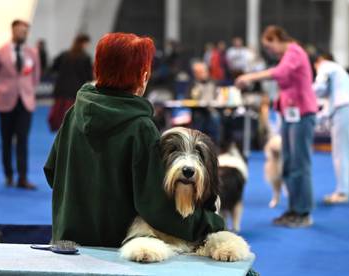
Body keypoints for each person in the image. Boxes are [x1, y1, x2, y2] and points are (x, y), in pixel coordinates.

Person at [43, 33, 224, 247]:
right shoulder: (141, 127)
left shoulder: (74, 113)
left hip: (66, 244)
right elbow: (156, 207)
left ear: (98, 68)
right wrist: (210, 222)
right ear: (143, 76)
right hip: (115, 250)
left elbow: (51, 172)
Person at [236, 25, 318, 227]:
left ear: (276, 38)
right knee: (289, 163)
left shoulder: (295, 51)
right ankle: (293, 210)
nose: (269, 50)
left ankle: (303, 213)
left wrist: (249, 76)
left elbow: (280, 73)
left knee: (300, 164)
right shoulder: (289, 54)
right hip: (291, 115)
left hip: (302, 115)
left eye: (269, 45)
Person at [0, 20, 40, 190]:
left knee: (23, 139)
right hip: (5, 101)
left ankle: (23, 177)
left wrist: (28, 90)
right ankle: (8, 174)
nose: (22, 34)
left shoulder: (33, 53)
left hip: (25, 101)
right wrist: (1, 89)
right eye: (19, 31)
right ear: (13, 31)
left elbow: (36, 77)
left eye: (25, 32)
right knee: (6, 140)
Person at [313, 53, 349, 204]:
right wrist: (313, 119)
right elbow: (327, 108)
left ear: (319, 61)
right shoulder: (339, 72)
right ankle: (346, 189)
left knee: (340, 153)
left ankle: (342, 192)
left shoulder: (325, 66)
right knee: (348, 153)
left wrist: (303, 91)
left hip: (344, 111)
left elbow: (319, 88)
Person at [48, 34, 92, 132]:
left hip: (60, 89)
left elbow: (53, 68)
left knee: (57, 116)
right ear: (83, 43)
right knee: (70, 117)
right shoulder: (86, 58)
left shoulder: (64, 54)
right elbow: (88, 76)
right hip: (75, 91)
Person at [187, 61, 221, 144]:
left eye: (203, 71)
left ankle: (215, 143)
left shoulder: (214, 83)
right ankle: (197, 143)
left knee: (215, 117)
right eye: (199, 72)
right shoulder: (193, 84)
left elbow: (221, 97)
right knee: (199, 118)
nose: (202, 74)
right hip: (198, 110)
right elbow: (188, 99)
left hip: (213, 109)